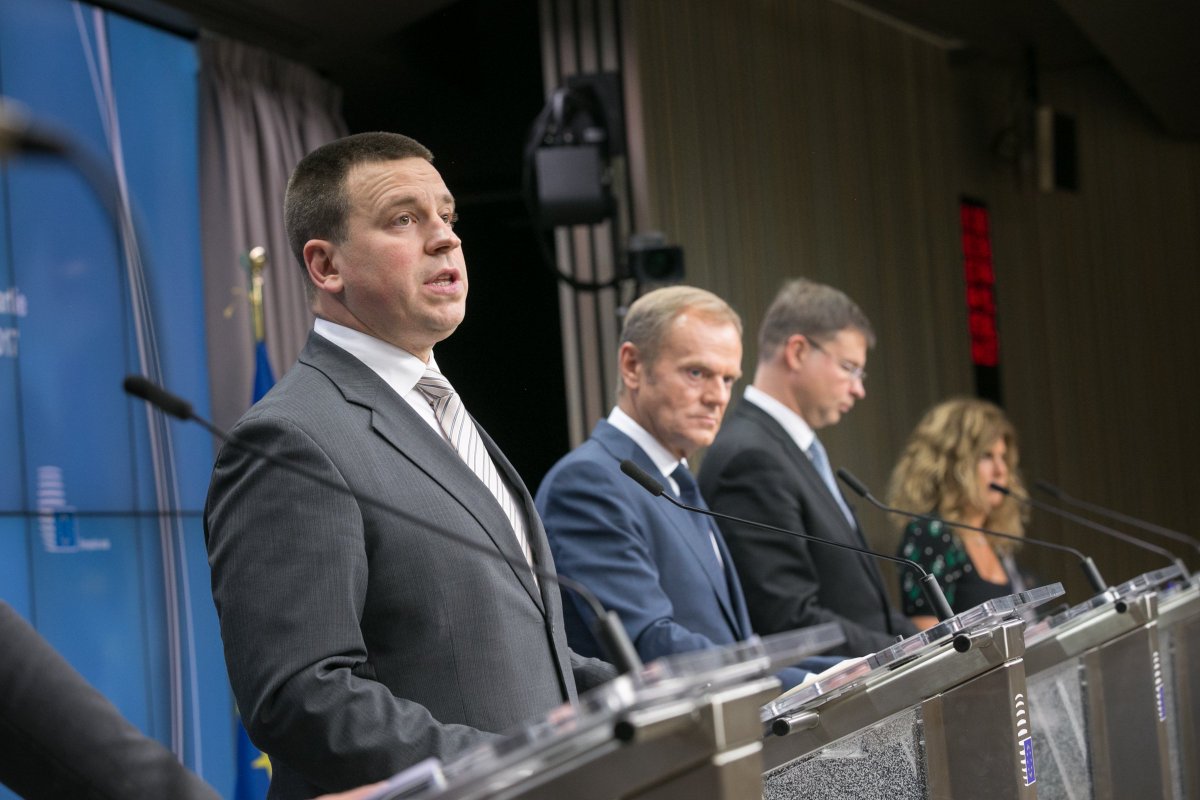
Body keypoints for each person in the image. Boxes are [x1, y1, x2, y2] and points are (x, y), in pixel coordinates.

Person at [204, 132, 614, 800]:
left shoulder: (441, 408)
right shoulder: (288, 439)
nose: (445, 238)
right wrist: (514, 763)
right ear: (325, 266)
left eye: (447, 216)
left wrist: (646, 700)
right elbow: (302, 696)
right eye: (404, 219)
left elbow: (505, 646)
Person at [535, 286, 817, 690]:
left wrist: (841, 669)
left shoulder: (675, 480)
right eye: (696, 373)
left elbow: (731, 643)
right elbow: (651, 644)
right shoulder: (587, 482)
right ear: (632, 366)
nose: (717, 397)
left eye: (728, 379)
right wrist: (798, 681)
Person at [699, 278, 917, 657]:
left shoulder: (794, 450)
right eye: (849, 368)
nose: (859, 389)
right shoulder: (751, 458)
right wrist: (901, 654)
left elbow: (865, 608)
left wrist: (933, 644)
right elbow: (789, 619)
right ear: (798, 351)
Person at [886, 397, 1028, 628]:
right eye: (987, 456)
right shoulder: (930, 534)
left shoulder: (992, 537)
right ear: (953, 465)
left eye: (1003, 457)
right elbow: (928, 634)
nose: (1001, 470)